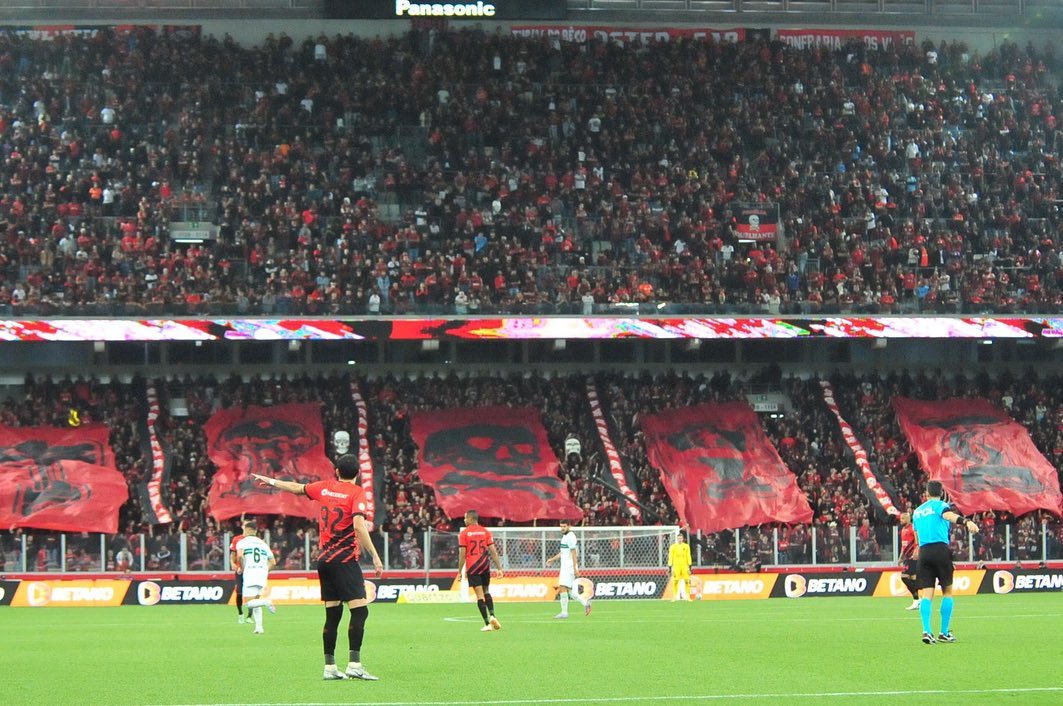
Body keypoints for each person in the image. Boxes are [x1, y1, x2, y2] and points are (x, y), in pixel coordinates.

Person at [253, 453, 384, 680]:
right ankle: (354, 664)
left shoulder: (324, 488)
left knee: (333, 615)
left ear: (337, 471)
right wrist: (374, 555)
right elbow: (359, 525)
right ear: (358, 473)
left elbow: (297, 488)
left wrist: (271, 481)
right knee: (360, 611)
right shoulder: (356, 493)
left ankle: (330, 667)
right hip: (345, 559)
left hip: (324, 560)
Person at [912, 480, 979, 644]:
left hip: (924, 552)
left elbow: (917, 536)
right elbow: (948, 516)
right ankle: (943, 632)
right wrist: (966, 521)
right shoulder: (941, 505)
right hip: (940, 550)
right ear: (941, 493)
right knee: (947, 592)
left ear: (926, 493)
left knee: (927, 594)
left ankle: (927, 631)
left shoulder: (917, 512)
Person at [458, 510, 503, 632]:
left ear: (470, 519)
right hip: (485, 566)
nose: (464, 520)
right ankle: (492, 615)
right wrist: (499, 568)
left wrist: (459, 571)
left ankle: (487, 623)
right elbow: (493, 551)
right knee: (486, 591)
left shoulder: (464, 533)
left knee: (479, 596)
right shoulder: (485, 531)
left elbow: (462, 554)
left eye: (465, 518)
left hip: (473, 567)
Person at [234, 519, 277, 634]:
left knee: (248, 603)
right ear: (255, 531)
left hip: (250, 573)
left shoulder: (242, 542)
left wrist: (243, 568)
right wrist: (265, 571)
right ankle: (259, 627)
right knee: (256, 601)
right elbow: (273, 562)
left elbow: (240, 556)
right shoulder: (263, 543)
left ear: (247, 530)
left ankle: (266, 602)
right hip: (262, 574)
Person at [545, 520, 591, 618]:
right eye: (561, 526)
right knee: (570, 592)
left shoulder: (571, 537)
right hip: (565, 566)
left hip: (569, 567)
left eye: (564, 526)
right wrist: (552, 559)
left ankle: (564, 613)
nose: (562, 528)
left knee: (562, 587)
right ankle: (585, 603)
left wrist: (575, 568)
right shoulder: (565, 537)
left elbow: (574, 553)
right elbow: (563, 553)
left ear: (569, 526)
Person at [898, 512, 921, 610]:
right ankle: (917, 600)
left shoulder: (912, 528)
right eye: (900, 519)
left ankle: (917, 600)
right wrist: (901, 557)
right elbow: (903, 545)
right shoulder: (903, 530)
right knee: (913, 579)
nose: (901, 520)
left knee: (904, 577)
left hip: (913, 557)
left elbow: (918, 541)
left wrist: (916, 551)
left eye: (903, 518)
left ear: (908, 519)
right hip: (907, 558)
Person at [229, 521, 249, 624]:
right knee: (239, 591)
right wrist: (232, 563)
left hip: (251, 570)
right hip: (240, 570)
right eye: (245, 525)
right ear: (242, 527)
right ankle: (240, 613)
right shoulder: (237, 539)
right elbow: (233, 553)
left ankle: (250, 615)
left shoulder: (254, 540)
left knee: (252, 592)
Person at [668, 531, 693, 602]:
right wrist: (670, 567)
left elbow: (688, 556)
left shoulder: (686, 546)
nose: (680, 539)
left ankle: (688, 597)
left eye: (681, 538)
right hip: (676, 566)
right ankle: (675, 597)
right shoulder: (673, 547)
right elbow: (670, 557)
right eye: (678, 538)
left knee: (687, 581)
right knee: (675, 581)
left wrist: (690, 566)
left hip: (685, 566)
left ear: (683, 539)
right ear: (677, 539)